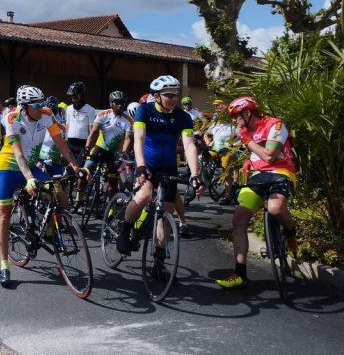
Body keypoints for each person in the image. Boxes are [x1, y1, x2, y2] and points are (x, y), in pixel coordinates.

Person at [0, 85, 85, 287]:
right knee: (3, 216)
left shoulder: (46, 115)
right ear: (24, 107)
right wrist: (28, 178)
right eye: (35, 104)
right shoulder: (12, 118)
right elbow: (17, 154)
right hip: (8, 167)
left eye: (41, 103)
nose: (40, 107)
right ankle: (4, 265)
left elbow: (61, 145)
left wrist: (76, 167)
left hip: (31, 166)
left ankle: (50, 230)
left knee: (57, 193)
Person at [115, 75, 202, 260]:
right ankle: (125, 231)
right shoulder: (144, 111)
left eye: (176, 95)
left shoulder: (183, 117)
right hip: (148, 165)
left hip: (168, 168)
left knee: (165, 215)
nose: (174, 99)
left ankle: (159, 261)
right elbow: (138, 139)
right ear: (156, 96)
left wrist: (195, 174)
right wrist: (140, 166)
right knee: (144, 196)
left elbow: (189, 145)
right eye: (169, 95)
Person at [215, 96, 297, 289]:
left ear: (247, 112)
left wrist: (248, 141)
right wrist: (249, 160)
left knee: (275, 209)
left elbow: (270, 155)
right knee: (239, 219)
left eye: (236, 116)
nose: (234, 121)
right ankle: (240, 275)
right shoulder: (248, 130)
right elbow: (257, 155)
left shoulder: (275, 125)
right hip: (258, 176)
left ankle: (291, 231)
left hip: (281, 172)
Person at [84, 90, 133, 200]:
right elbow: (94, 132)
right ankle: (79, 199)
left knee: (113, 184)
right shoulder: (103, 114)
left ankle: (110, 210)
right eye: (117, 103)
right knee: (85, 169)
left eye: (123, 103)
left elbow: (128, 139)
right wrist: (87, 147)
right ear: (111, 103)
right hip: (100, 148)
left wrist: (123, 153)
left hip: (115, 153)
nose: (120, 106)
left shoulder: (128, 120)